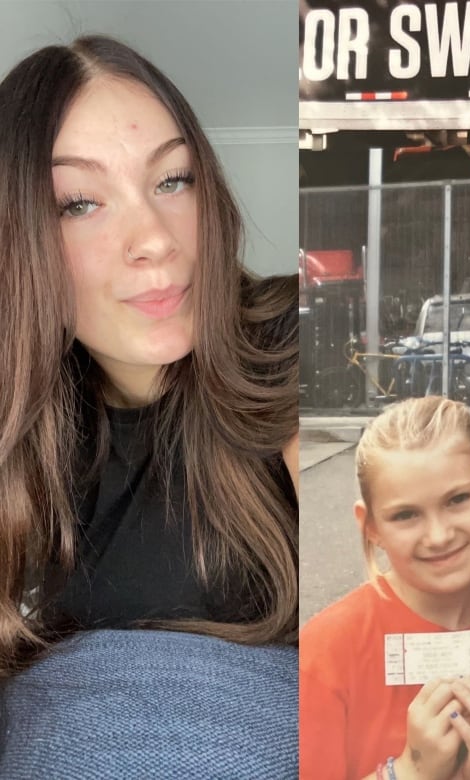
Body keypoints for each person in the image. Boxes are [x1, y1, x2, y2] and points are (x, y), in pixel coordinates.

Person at [0, 36, 298, 670]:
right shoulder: (27, 419)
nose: (156, 241)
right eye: (79, 203)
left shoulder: (294, 342)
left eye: (172, 180)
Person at [300, 396, 470, 780]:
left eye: (458, 499)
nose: (438, 536)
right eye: (406, 515)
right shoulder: (326, 650)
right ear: (370, 526)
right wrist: (409, 771)